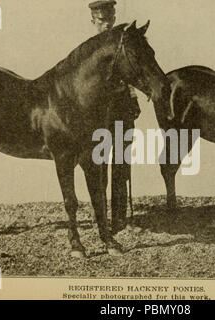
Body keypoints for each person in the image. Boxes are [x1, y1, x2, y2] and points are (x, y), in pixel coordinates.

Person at [89, 0, 141, 234]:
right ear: (93, 21)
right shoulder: (89, 51)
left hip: (121, 111)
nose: (107, 24)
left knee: (121, 164)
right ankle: (99, 214)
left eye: (110, 19)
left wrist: (133, 99)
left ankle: (120, 217)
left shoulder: (122, 45)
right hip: (99, 115)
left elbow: (129, 75)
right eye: (101, 21)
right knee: (98, 166)